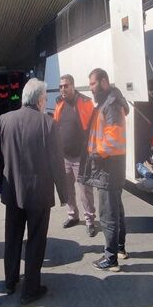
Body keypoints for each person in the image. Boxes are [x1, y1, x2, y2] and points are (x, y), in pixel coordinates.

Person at [0, 78, 67, 305]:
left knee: (12, 237)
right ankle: (30, 289)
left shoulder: (5, 119)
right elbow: (57, 162)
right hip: (39, 194)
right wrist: (64, 194)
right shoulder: (48, 124)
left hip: (12, 191)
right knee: (35, 240)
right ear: (41, 100)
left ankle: (10, 282)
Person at [78, 68, 129, 272]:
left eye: (93, 84)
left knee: (108, 215)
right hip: (111, 167)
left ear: (104, 82)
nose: (90, 88)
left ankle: (110, 259)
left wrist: (94, 154)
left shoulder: (111, 105)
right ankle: (120, 249)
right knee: (116, 210)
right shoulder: (107, 102)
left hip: (107, 167)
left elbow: (112, 140)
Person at [53, 74, 97, 237]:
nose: (63, 89)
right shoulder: (59, 103)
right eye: (61, 86)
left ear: (73, 86)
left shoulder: (85, 102)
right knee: (67, 189)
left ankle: (90, 220)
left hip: (81, 157)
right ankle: (73, 216)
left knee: (85, 191)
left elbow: (93, 127)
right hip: (64, 156)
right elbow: (56, 126)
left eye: (66, 86)